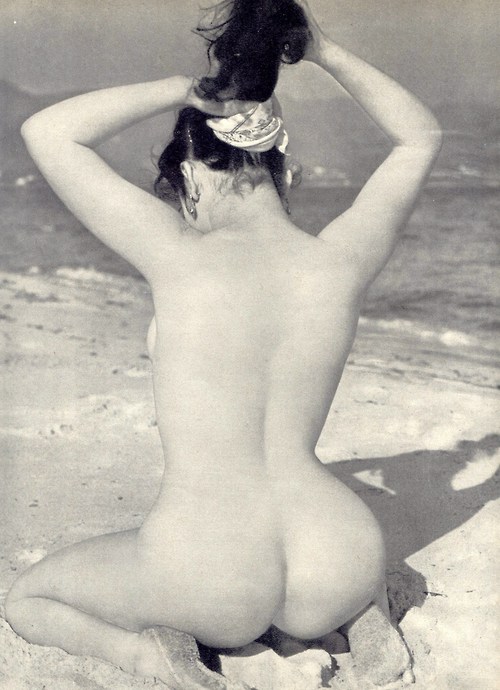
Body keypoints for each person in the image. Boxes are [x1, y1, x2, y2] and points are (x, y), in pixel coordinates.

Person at [5, 1, 442, 687]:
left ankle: (147, 656)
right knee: (329, 574)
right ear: (284, 173)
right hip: (341, 556)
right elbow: (419, 138)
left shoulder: (177, 253)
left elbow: (49, 131)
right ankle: (362, 617)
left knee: (29, 598)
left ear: (190, 181)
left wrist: (185, 90)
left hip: (209, 574)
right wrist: (323, 50)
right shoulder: (338, 260)